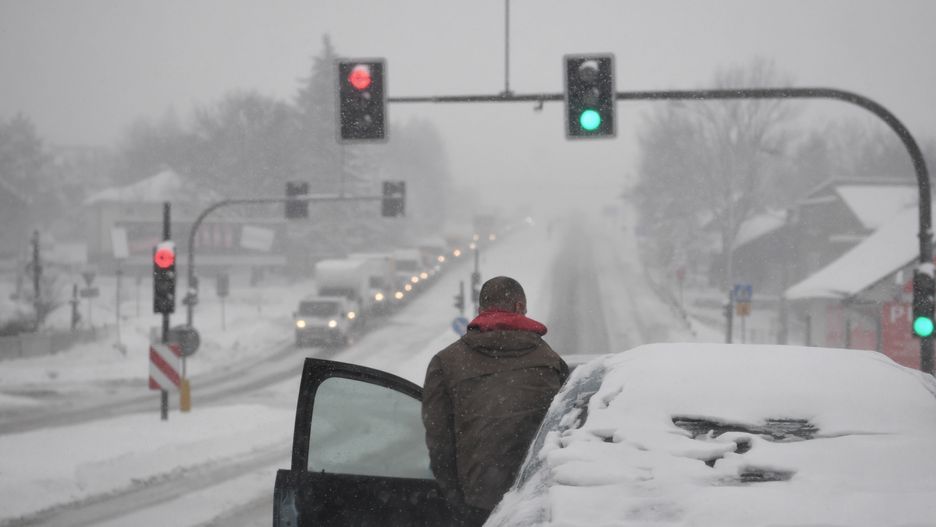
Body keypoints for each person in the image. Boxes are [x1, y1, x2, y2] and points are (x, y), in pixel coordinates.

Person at [422, 276, 569, 526]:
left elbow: (439, 443)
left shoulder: (446, 363)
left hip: (480, 502)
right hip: (540, 500)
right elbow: (567, 430)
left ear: (481, 310)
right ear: (520, 307)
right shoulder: (550, 361)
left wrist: (458, 500)